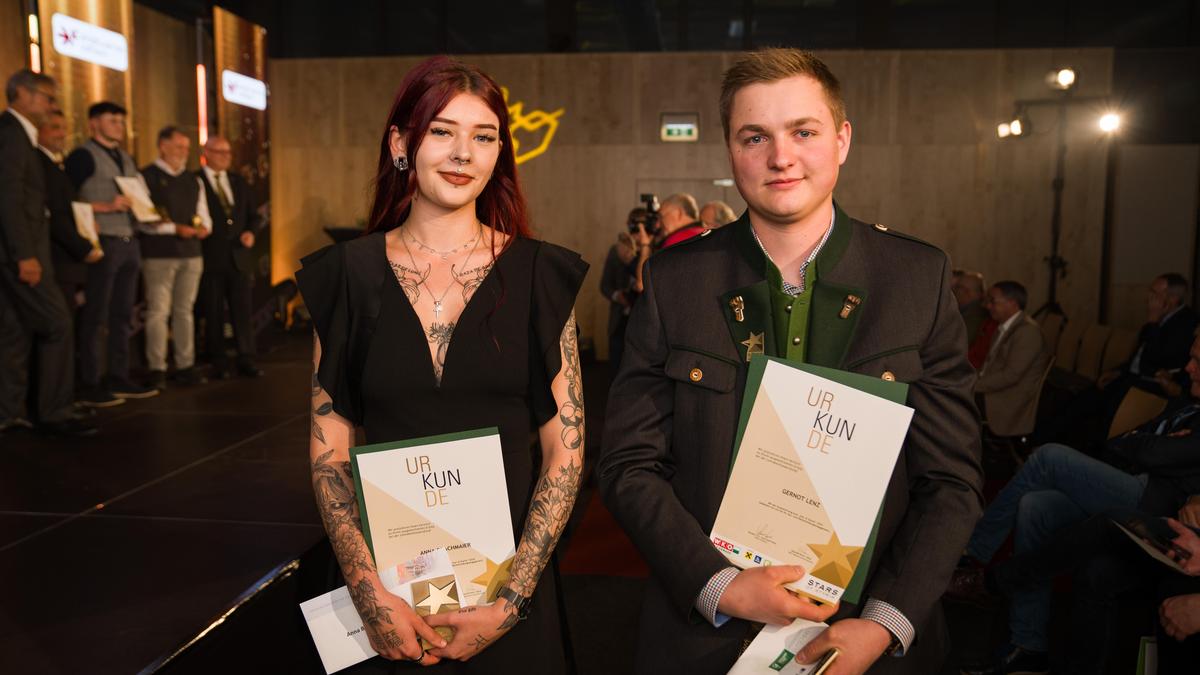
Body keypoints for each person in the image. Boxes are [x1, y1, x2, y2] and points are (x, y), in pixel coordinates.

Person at [597, 48, 982, 675]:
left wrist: (883, 623)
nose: (781, 158)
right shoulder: (675, 281)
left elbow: (953, 482)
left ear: (842, 139)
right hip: (708, 634)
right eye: (756, 137)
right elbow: (628, 464)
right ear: (730, 148)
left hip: (866, 637)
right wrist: (719, 585)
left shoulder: (916, 277)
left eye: (803, 131)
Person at [295, 56, 587, 673]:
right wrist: (368, 590)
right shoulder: (347, 275)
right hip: (385, 596)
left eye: (483, 137)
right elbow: (329, 451)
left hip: (506, 592)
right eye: (442, 131)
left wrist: (510, 600)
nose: (462, 153)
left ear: (499, 154)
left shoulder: (539, 276)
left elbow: (566, 453)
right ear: (402, 143)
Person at [953, 331, 1200, 674]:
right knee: (1035, 506)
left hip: (1154, 504)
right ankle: (1029, 645)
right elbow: (1132, 442)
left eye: (1197, 361)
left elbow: (1154, 450)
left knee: (1049, 457)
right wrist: (1147, 448)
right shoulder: (1188, 399)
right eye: (1190, 356)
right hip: (1136, 479)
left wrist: (1148, 448)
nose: (1187, 368)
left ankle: (972, 554)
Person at [0, 69, 95, 437]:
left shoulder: (18, 135)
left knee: (14, 331)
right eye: (47, 97)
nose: (52, 106)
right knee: (57, 323)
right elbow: (8, 200)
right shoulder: (11, 134)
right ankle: (55, 412)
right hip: (19, 253)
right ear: (23, 94)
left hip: (19, 252)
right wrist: (25, 254)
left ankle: (9, 414)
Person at [66, 101, 158, 405]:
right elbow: (63, 201)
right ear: (94, 123)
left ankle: (118, 375)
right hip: (102, 239)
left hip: (130, 239)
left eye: (121, 120)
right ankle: (90, 381)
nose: (119, 125)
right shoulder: (82, 156)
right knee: (96, 313)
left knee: (122, 313)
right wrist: (103, 206)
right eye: (112, 120)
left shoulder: (126, 157)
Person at [139, 126, 211, 388]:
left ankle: (185, 363)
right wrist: (174, 228)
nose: (184, 152)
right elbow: (143, 219)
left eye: (186, 148)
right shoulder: (146, 176)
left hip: (192, 253)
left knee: (185, 310)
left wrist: (204, 227)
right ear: (163, 146)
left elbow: (204, 214)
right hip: (160, 254)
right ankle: (157, 366)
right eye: (179, 146)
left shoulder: (193, 180)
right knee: (158, 311)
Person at [198, 135, 263, 379]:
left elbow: (255, 216)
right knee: (212, 310)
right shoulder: (197, 180)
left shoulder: (238, 181)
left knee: (242, 309)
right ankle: (218, 360)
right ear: (207, 152)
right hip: (210, 256)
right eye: (219, 152)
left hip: (239, 257)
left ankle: (246, 357)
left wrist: (250, 233)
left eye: (228, 152)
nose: (226, 157)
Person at [37, 109, 103, 319]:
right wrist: (84, 247)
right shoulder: (40, 165)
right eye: (55, 127)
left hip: (67, 261)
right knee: (60, 326)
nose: (61, 133)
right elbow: (57, 216)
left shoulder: (56, 166)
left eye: (64, 128)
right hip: (57, 260)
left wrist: (86, 224)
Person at [975, 281, 1048, 438]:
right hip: (993, 391)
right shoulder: (1005, 326)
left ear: (1012, 304)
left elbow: (1011, 376)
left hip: (1006, 401)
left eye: (993, 301)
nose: (988, 306)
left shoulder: (1028, 332)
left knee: (941, 401)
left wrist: (972, 384)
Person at [599, 208, 643, 376]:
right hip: (619, 320)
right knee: (616, 370)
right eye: (632, 226)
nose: (635, 232)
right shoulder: (615, 250)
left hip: (642, 322)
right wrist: (618, 296)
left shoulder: (652, 250)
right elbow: (604, 285)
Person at [951, 269, 989, 348]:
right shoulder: (963, 310)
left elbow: (959, 343)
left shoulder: (976, 315)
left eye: (957, 287)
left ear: (967, 291)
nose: (953, 290)